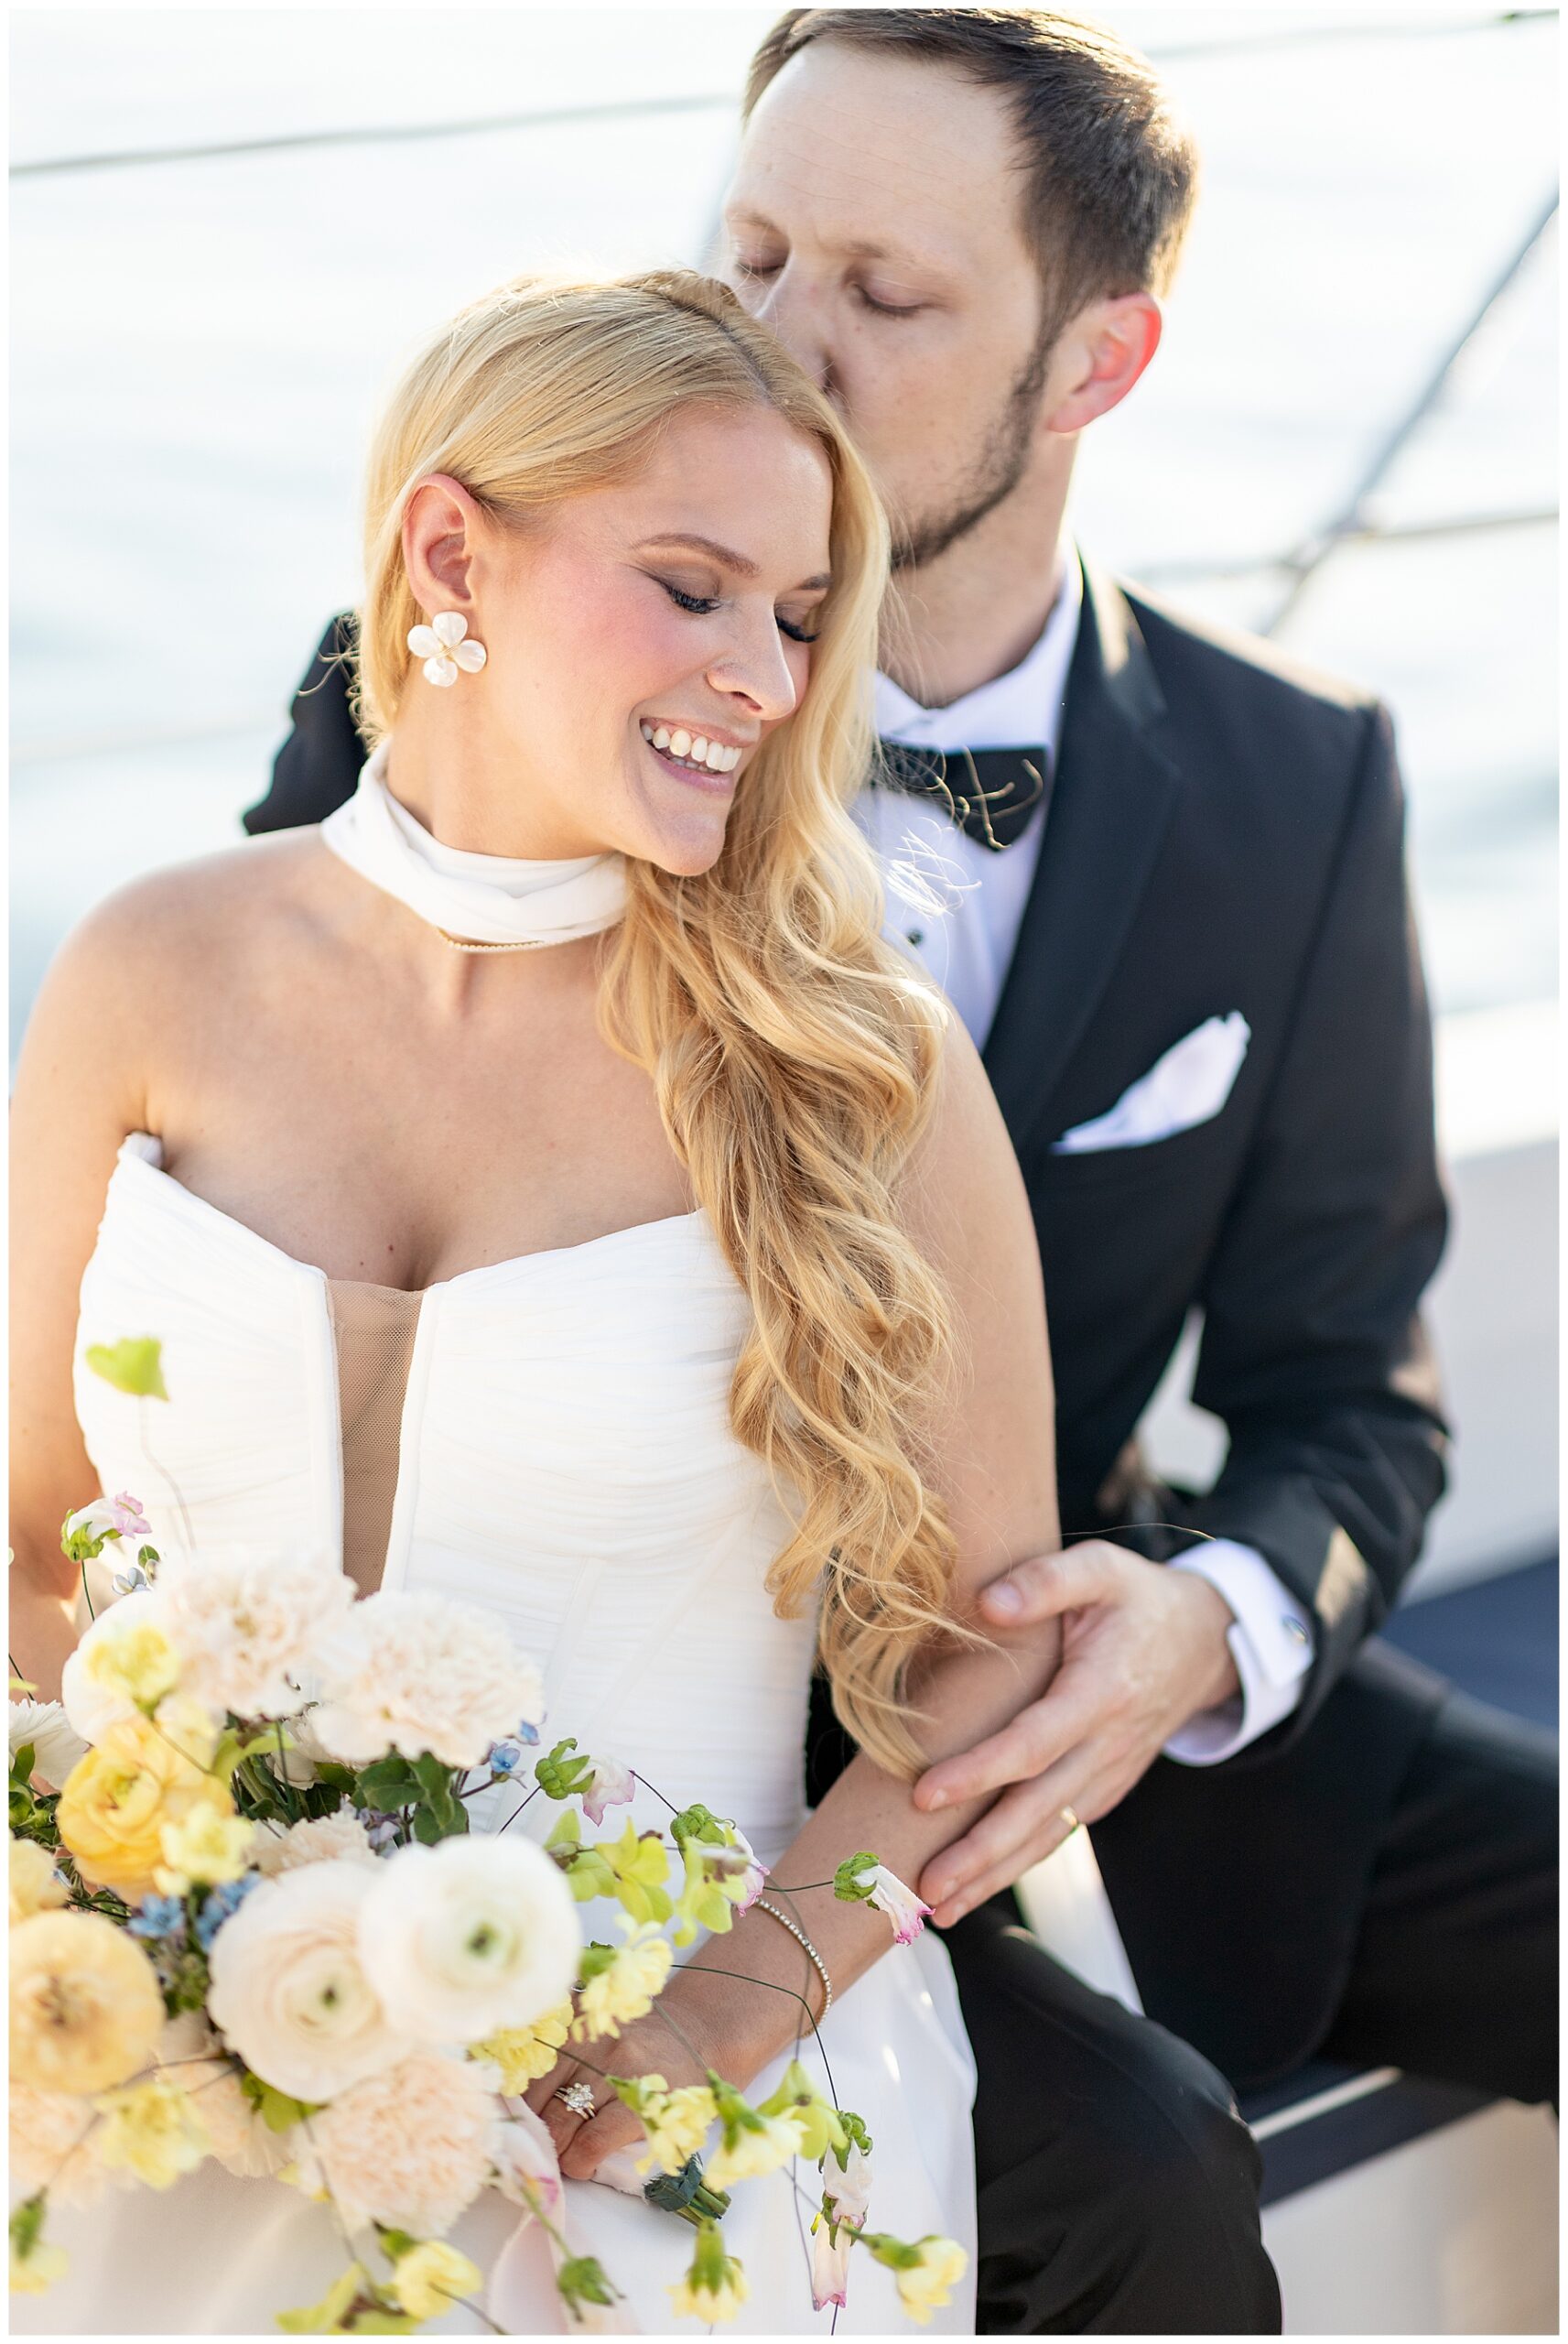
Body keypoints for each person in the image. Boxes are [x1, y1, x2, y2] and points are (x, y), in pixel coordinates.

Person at [250, 8, 1557, 2335]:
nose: (771, 334)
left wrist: (1205, 1630)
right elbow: (302, 1202)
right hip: (630, 1732)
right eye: (745, 244)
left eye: (885, 288)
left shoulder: (1296, 784)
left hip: (1078, 1664)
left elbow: (1350, 1387)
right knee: (1141, 2171)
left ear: (1095, 361)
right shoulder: (479, 693)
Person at [9, 269, 1074, 2333]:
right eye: (693, 589)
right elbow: (28, 1539)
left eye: (791, 614)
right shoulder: (150, 970)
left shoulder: (859, 1064)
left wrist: (711, 2024)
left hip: (667, 2138)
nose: (761, 678)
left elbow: (978, 1659)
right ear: (444, 552)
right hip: (154, 2071)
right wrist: (102, 1908)